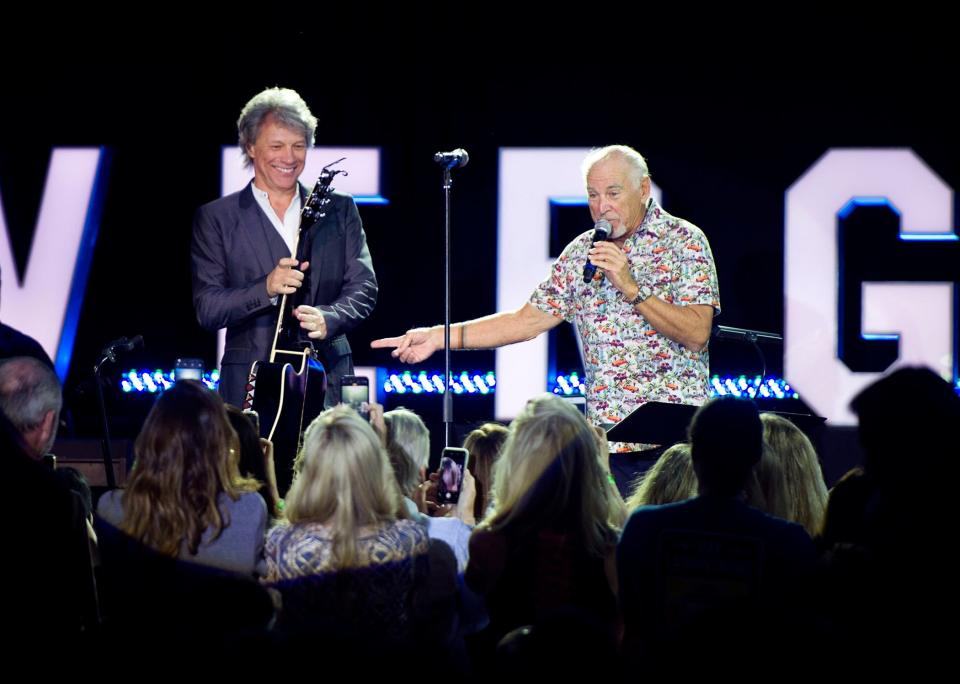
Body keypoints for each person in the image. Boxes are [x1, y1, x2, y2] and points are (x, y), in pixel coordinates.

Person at [372, 145, 719, 451]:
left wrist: (632, 288)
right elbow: (523, 322)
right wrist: (437, 336)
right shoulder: (582, 251)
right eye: (593, 195)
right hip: (608, 442)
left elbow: (697, 333)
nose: (602, 207)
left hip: (675, 444)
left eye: (613, 193)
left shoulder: (683, 241)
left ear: (643, 188)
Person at [191, 86, 377, 409]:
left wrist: (329, 317)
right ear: (250, 146)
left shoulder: (339, 208)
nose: (289, 158)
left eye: (298, 146)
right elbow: (207, 307)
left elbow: (364, 287)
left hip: (328, 384)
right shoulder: (216, 218)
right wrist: (266, 287)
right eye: (276, 146)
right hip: (249, 387)